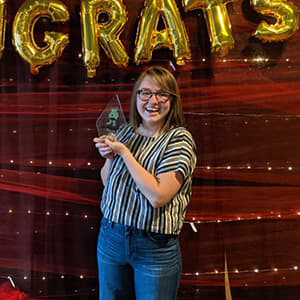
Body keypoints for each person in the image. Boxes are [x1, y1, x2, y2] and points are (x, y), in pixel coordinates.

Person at [93, 66, 197, 300]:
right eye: (145, 93)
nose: (153, 101)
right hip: (111, 236)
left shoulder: (179, 139)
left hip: (154, 247)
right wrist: (110, 158)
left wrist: (124, 153)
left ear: (172, 100)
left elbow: (158, 196)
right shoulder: (125, 131)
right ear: (136, 97)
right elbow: (108, 183)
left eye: (162, 94)